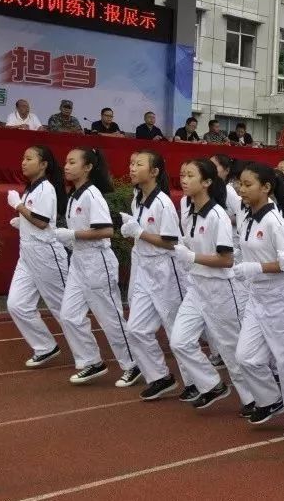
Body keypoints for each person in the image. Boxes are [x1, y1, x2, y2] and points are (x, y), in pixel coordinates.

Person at [169, 158, 272, 411]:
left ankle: (253, 398)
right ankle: (211, 384)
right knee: (179, 341)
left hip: (221, 288)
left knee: (230, 347)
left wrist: (192, 257)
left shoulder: (217, 215)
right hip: (197, 286)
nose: (183, 180)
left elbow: (226, 260)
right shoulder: (189, 210)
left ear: (206, 182)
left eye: (190, 175)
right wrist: (185, 249)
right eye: (182, 174)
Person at [54, 147, 138, 386]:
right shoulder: (74, 195)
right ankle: (92, 360)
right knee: (69, 315)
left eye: (72, 162)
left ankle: (133, 363)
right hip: (79, 261)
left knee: (109, 316)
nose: (66, 166)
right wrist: (69, 237)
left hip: (97, 261)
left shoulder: (92, 195)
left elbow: (106, 230)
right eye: (66, 162)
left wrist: (72, 234)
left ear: (88, 167)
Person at [232, 162, 284, 428]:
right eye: (240, 184)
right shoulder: (248, 216)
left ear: (266, 188)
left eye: (248, 184)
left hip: (281, 296)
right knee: (245, 356)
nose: (242, 189)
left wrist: (257, 267)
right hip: (257, 295)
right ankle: (270, 399)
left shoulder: (274, 221)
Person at [119, 150, 192, 401]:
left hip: (166, 269)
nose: (131, 168)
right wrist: (134, 232)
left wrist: (139, 233)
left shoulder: (162, 203)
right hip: (145, 270)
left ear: (154, 172)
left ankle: (194, 382)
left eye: (138, 164)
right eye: (131, 163)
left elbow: (170, 242)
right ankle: (160, 376)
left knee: (176, 330)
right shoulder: (137, 198)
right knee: (136, 328)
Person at [4, 145, 72, 369]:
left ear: (43, 165)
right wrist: (22, 223)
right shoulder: (31, 188)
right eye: (23, 158)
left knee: (63, 308)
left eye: (29, 158)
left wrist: (18, 207)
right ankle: (45, 346)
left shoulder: (46, 188)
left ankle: (91, 354)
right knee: (17, 304)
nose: (23, 162)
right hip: (28, 253)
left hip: (46, 254)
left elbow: (42, 222)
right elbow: (36, 221)